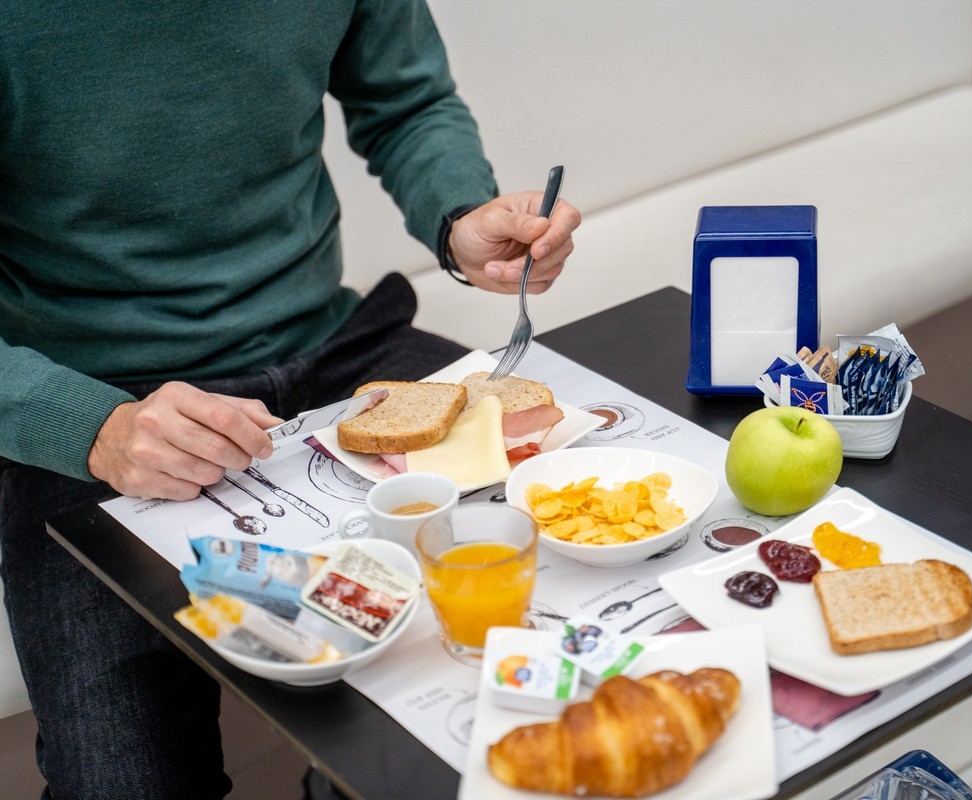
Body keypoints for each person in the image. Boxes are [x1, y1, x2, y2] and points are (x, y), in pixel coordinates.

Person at [0, 2, 580, 797]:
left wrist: (459, 214)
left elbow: (407, 102)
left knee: (533, 667)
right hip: (96, 401)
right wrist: (89, 426)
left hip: (338, 349)